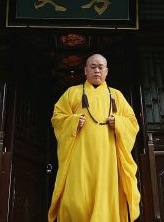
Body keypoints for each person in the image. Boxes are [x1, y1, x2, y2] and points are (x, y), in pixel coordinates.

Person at [48, 53, 141, 222]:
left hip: (108, 159)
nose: (96, 71)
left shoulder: (116, 95)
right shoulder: (72, 93)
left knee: (106, 199)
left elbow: (133, 122)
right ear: (85, 70)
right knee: (75, 201)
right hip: (79, 157)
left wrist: (119, 122)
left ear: (106, 71)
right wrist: (73, 121)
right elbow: (57, 117)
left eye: (100, 67)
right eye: (92, 67)